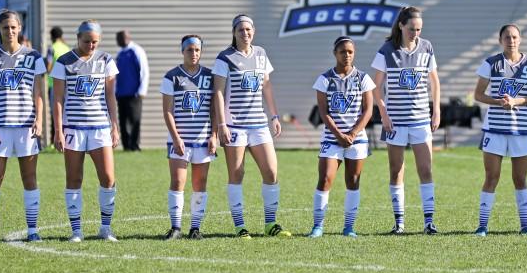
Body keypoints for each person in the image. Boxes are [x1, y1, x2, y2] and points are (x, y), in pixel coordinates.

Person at [211, 15, 290, 238]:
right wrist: (221, 124)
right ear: (234, 33)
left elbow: (266, 87)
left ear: (253, 31)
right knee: (237, 174)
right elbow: (217, 92)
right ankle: (240, 226)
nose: (245, 33)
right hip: (235, 126)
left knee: (271, 171)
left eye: (248, 29)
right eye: (241, 30)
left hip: (259, 123)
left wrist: (274, 115)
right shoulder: (224, 58)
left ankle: (271, 224)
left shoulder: (261, 54)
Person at [0, 10, 46, 244]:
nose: (10, 31)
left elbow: (39, 92)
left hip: (26, 127)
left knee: (30, 179)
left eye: (14, 27)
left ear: (20, 29)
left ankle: (33, 230)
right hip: (0, 128)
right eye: (6, 27)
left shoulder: (34, 57)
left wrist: (39, 120)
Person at [372, 6, 441, 234]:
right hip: (396, 121)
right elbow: (376, 87)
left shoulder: (427, 47)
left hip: (421, 119)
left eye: (419, 29)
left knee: (426, 169)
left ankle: (429, 222)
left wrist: (436, 109)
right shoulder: (386, 50)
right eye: (412, 29)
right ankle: (399, 223)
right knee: (396, 170)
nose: (416, 33)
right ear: (401, 26)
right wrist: (383, 113)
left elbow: (434, 81)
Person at [51, 20, 121, 242]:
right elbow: (58, 99)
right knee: (74, 178)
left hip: (100, 127)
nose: (91, 45)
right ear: (77, 38)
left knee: (108, 178)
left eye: (95, 42)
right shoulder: (63, 62)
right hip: (73, 128)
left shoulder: (106, 60)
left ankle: (105, 228)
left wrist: (114, 125)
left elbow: (110, 96)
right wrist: (58, 130)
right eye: (87, 41)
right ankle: (76, 231)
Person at [472, 24, 527, 236]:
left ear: (520, 39)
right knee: (491, 177)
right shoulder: (491, 63)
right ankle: (482, 226)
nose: (511, 41)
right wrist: (498, 102)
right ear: (500, 40)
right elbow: (478, 94)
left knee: (520, 179)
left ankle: (525, 226)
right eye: (506, 37)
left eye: (514, 37)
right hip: (494, 129)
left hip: (521, 129)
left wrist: (516, 101)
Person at [308, 36, 376, 238]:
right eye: (342, 52)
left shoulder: (363, 78)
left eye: (350, 52)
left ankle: (349, 227)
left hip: (357, 139)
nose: (346, 55)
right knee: (326, 179)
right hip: (332, 138)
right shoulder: (324, 79)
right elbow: (323, 111)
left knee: (353, 181)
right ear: (334, 53)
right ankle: (318, 226)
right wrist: (338, 135)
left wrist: (353, 133)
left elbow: (368, 110)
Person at [160, 35, 217, 240]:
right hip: (180, 140)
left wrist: (214, 135)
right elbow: (167, 111)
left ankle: (195, 228)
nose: (193, 54)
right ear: (182, 51)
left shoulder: (211, 76)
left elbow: (215, 109)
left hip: (203, 140)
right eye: (189, 50)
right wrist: (176, 138)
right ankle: (175, 228)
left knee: (200, 183)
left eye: (197, 50)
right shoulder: (172, 77)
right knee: (178, 181)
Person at [115, 30, 150, 151]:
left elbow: (144, 71)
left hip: (134, 93)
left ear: (128, 37)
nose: (119, 40)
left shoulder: (136, 50)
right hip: (121, 93)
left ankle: (134, 145)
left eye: (121, 38)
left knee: (135, 119)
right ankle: (126, 146)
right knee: (123, 121)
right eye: (118, 38)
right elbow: (116, 75)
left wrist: (142, 90)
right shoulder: (120, 53)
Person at [45, 26, 71, 133]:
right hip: (68, 85)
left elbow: (48, 67)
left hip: (54, 85)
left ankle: (54, 139)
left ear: (52, 36)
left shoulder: (52, 48)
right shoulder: (67, 48)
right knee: (66, 112)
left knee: (55, 112)